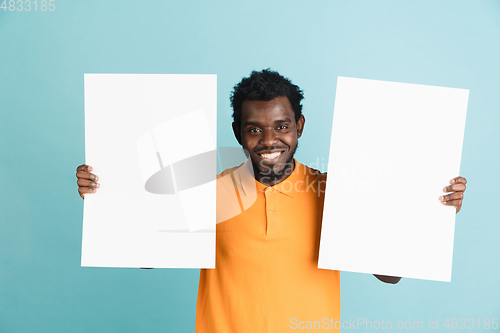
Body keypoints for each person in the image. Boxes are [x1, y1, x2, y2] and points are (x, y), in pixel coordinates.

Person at [76, 69, 467, 332]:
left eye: (281, 126)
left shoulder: (335, 192)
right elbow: (149, 255)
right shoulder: (206, 191)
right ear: (237, 132)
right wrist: (106, 195)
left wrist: (432, 210)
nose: (269, 141)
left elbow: (389, 274)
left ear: (298, 127)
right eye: (254, 129)